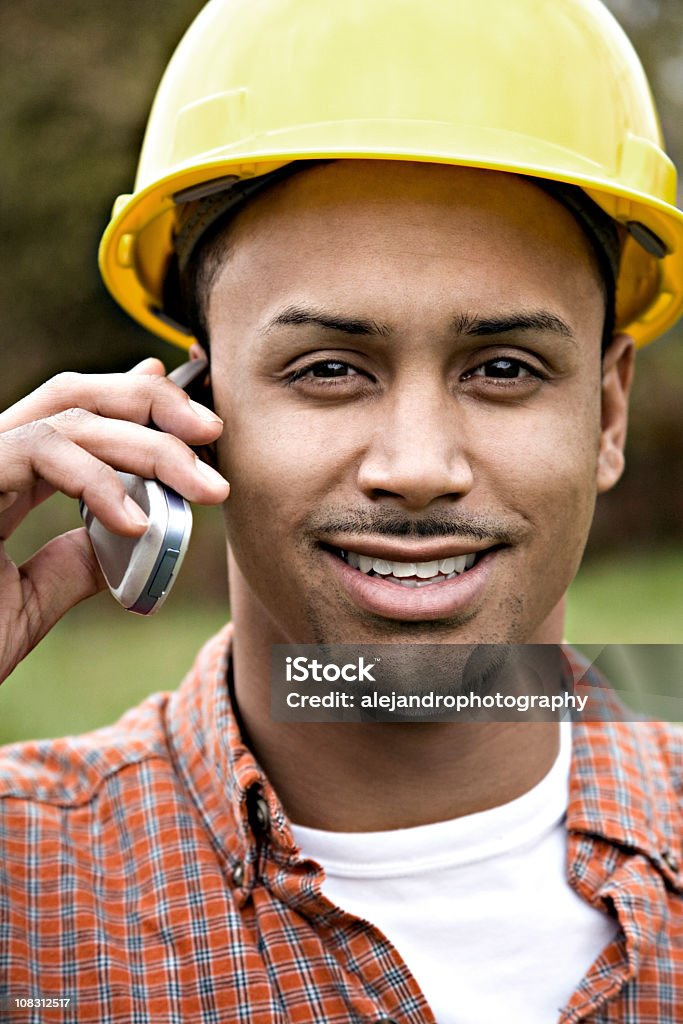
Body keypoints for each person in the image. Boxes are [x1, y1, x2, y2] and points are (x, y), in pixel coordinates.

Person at [1, 0, 682, 1021]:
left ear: (606, 410)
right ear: (188, 412)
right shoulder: (23, 884)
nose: (416, 467)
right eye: (327, 368)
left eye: (501, 367)